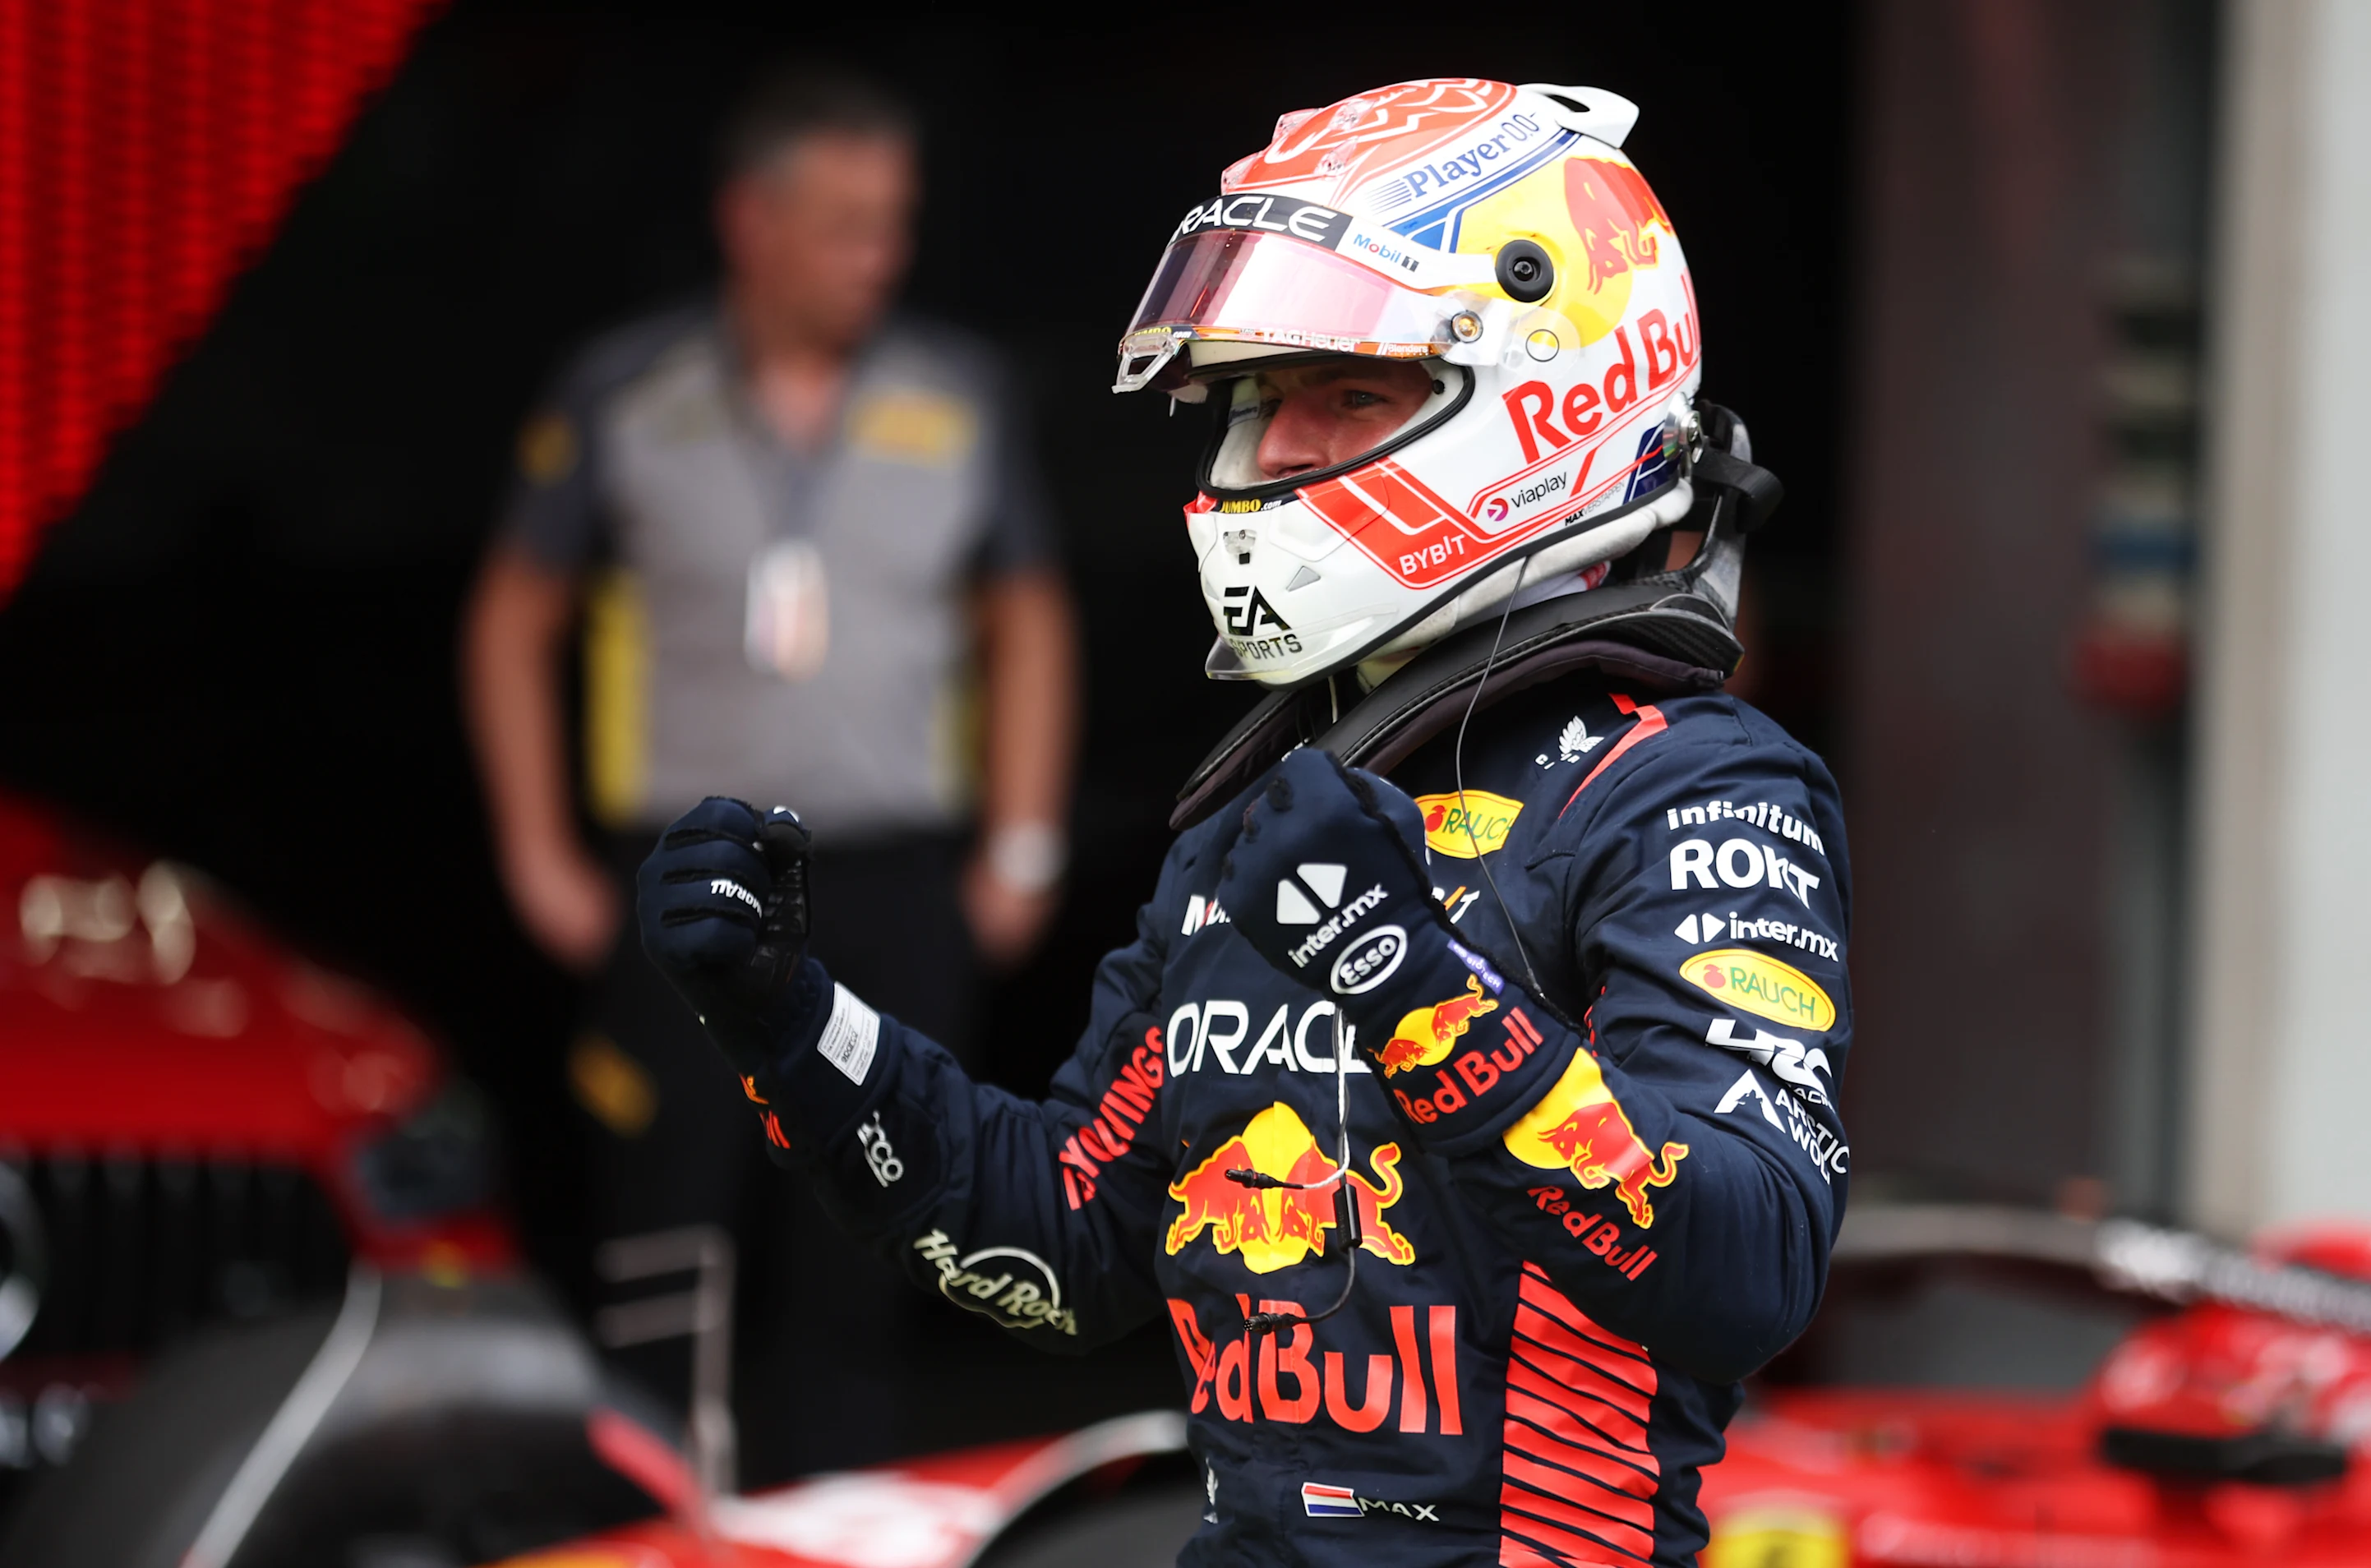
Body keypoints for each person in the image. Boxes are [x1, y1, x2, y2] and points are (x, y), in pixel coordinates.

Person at [635, 77, 1844, 1562]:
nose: (1273, 451)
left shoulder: (1687, 790)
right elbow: (1069, 1241)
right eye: (1263, 399)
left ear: (1547, 390)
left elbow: (1750, 1264)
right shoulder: (1277, 812)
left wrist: (1410, 988)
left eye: (1347, 393)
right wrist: (793, 1024)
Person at [459, 64, 1078, 1478]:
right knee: (666, 1219)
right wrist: (536, 848)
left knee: (879, 1213)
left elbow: (1029, 617)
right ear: (752, 221)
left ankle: (846, 1507)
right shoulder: (625, 390)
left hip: (895, 872)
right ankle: (653, 1505)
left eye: (897, 223)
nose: (884, 256)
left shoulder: (960, 392)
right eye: (849, 223)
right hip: (687, 871)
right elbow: (512, 615)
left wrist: (1023, 848)